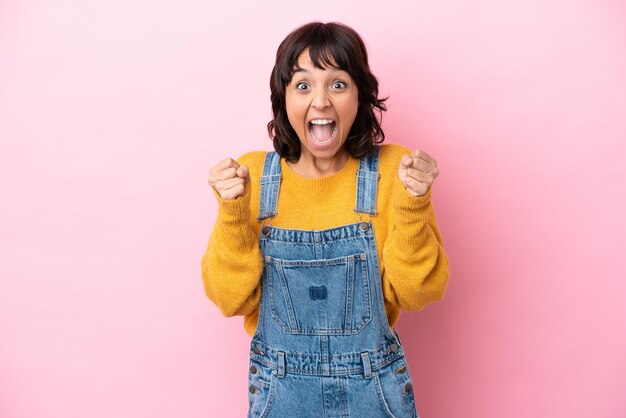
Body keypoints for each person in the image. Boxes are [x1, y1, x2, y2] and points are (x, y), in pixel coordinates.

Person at [201, 21, 449, 418]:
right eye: (303, 85)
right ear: (283, 100)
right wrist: (233, 214)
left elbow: (417, 294)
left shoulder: (393, 172)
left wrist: (415, 204)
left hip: (375, 395)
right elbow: (230, 300)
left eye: (338, 84)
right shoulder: (251, 178)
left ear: (359, 97)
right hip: (281, 396)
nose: (320, 101)